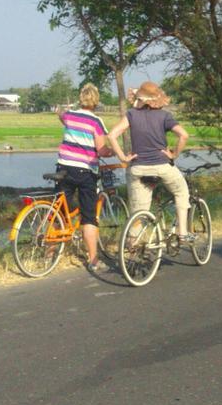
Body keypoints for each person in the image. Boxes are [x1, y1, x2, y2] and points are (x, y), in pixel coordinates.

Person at [107, 81, 191, 240]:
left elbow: (112, 136)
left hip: (138, 168)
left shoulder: (131, 114)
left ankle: (132, 244)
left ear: (141, 98)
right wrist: (174, 154)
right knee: (181, 192)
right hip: (162, 166)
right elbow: (184, 135)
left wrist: (123, 157)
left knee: (138, 211)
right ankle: (183, 232)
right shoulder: (165, 115)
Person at [56, 83, 112, 272]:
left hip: (63, 167)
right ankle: (93, 260)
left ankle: (48, 254)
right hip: (85, 171)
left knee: (59, 212)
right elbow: (101, 149)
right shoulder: (96, 122)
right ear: (96, 101)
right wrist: (113, 152)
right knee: (89, 216)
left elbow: (60, 114)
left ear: (81, 98)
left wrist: (63, 114)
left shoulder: (70, 116)